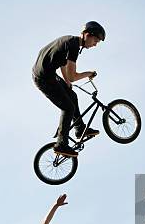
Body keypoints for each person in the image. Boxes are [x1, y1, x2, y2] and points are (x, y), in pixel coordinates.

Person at [32, 21, 106, 157]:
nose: (95, 44)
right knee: (68, 108)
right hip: (43, 78)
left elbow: (62, 64)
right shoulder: (73, 47)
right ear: (87, 35)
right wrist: (89, 73)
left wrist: (66, 81)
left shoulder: (69, 41)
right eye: (95, 40)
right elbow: (73, 76)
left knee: (72, 96)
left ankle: (80, 129)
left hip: (47, 73)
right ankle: (61, 144)